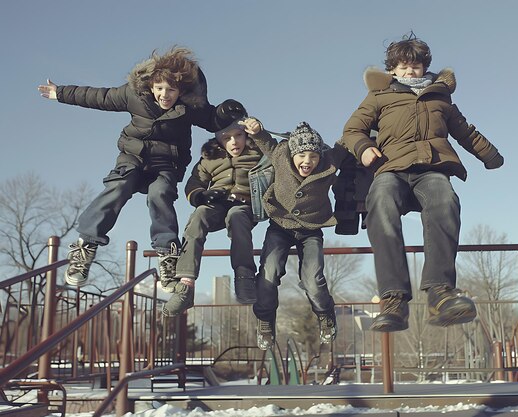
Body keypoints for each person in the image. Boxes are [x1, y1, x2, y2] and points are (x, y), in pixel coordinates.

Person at [37, 47, 246, 288]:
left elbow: (212, 121)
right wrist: (60, 93)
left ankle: (167, 252)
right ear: (151, 87)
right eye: (159, 89)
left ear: (181, 91)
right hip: (133, 157)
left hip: (166, 163)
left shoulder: (189, 108)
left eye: (171, 90)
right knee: (119, 186)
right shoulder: (133, 95)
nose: (165, 95)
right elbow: (98, 97)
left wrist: (226, 112)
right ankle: (86, 246)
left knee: (161, 194)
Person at [340, 33, 504, 331]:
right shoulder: (379, 95)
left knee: (445, 199)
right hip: (391, 168)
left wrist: (490, 155)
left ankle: (440, 293)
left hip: (432, 168)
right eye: (401, 67)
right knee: (381, 201)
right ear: (392, 69)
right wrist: (364, 149)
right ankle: (394, 299)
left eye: (414, 66)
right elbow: (352, 130)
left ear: (424, 67)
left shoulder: (440, 96)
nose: (408, 72)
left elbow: (464, 131)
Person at [241, 118, 346, 350]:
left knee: (313, 279)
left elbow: (346, 142)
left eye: (313, 156)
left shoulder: (329, 162)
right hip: (280, 225)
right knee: (268, 273)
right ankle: (265, 320)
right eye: (302, 156)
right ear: (292, 155)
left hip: (311, 229)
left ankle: (325, 314)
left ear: (320, 156)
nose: (307, 161)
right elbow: (265, 141)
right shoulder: (281, 154)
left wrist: (364, 128)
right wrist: (257, 130)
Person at [161, 118, 263, 316]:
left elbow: (278, 154)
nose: (234, 142)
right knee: (199, 215)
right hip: (217, 203)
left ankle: (244, 276)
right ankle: (186, 286)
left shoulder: (257, 152)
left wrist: (260, 132)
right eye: (227, 138)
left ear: (246, 135)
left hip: (244, 205)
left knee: (237, 217)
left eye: (239, 135)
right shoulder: (210, 158)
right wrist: (201, 195)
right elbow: (194, 183)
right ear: (218, 140)